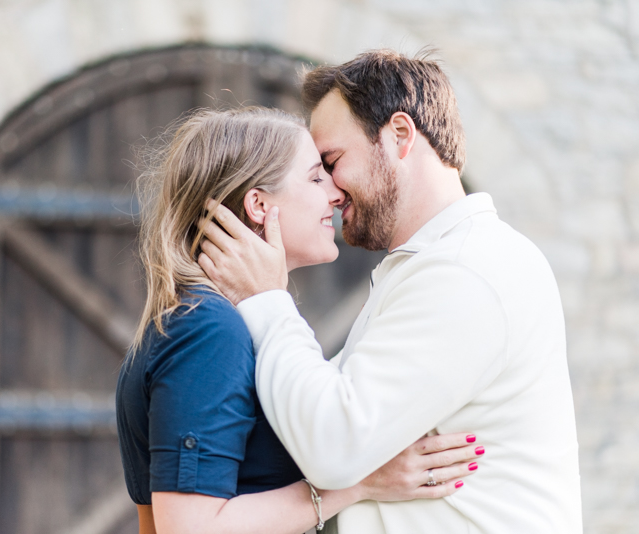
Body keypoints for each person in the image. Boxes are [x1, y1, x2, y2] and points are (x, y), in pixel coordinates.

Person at [198, 50, 582, 533]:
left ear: (400, 135)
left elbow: (333, 444)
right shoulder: (436, 265)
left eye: (331, 163)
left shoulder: (466, 271)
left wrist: (266, 299)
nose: (331, 192)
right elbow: (321, 420)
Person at [116, 107, 484, 534]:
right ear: (258, 204)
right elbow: (189, 527)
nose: (336, 193)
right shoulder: (208, 329)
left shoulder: (202, 319)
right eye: (315, 177)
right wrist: (360, 482)